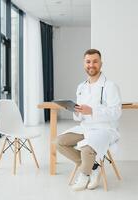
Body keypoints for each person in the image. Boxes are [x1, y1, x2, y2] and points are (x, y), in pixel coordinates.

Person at [56, 49, 122, 191]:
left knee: (87, 146)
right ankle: (93, 167)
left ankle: (84, 174)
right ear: (84, 64)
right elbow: (79, 115)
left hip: (105, 129)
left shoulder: (110, 86)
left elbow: (116, 112)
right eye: (88, 62)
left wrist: (92, 111)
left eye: (95, 61)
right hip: (85, 127)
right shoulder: (81, 87)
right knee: (58, 142)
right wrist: (75, 111)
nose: (91, 65)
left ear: (101, 63)